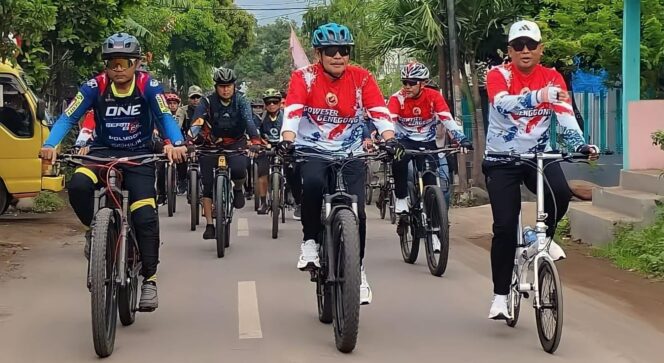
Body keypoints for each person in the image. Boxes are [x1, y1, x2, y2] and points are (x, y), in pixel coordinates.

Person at [40, 33, 187, 311]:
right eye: (112, 63)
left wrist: (176, 144)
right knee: (79, 186)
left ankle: (150, 280)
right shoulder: (93, 86)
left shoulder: (149, 86)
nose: (118, 68)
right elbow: (68, 117)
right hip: (102, 152)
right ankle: (94, 229)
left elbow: (165, 117)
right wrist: (50, 144)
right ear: (105, 65)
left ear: (137, 63)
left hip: (138, 156)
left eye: (124, 62)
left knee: (144, 215)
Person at [279, 23, 403, 305]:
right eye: (331, 51)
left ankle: (357, 271)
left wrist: (389, 137)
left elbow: (379, 110)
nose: (338, 56)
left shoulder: (361, 78)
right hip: (313, 149)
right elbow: (294, 110)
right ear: (318, 53)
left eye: (344, 51)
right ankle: (310, 241)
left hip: (350, 152)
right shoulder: (304, 78)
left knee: (358, 213)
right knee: (310, 184)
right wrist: (288, 139)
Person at [484, 20, 598, 320]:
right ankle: (499, 296)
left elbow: (564, 114)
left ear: (540, 49)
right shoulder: (497, 75)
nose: (524, 50)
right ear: (510, 51)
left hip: (539, 155)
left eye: (530, 45)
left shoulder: (552, 77)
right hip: (501, 158)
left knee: (560, 192)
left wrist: (581, 145)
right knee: (505, 228)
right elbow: (501, 103)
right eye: (518, 45)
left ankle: (538, 237)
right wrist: (539, 96)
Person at [388, 62, 472, 220]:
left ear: (423, 83)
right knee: (398, 159)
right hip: (404, 140)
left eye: (412, 83)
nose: (407, 86)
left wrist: (461, 139)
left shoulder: (434, 96)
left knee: (430, 178)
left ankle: (433, 224)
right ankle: (400, 198)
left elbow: (447, 119)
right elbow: (389, 122)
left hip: (427, 142)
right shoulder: (396, 99)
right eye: (404, 82)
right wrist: (389, 140)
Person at [188, 67, 261, 240]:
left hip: (236, 143)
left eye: (229, 85)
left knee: (239, 170)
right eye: (221, 86)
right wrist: (190, 141)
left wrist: (256, 140)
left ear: (234, 86)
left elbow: (249, 121)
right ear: (216, 87)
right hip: (210, 145)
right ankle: (210, 225)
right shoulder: (206, 101)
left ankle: (237, 189)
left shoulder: (242, 101)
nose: (225, 89)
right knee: (206, 185)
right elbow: (197, 122)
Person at [255, 89, 283, 214]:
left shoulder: (287, 117)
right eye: (268, 102)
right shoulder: (260, 118)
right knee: (262, 173)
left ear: (280, 103)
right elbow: (254, 132)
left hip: (283, 147)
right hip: (265, 148)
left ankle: (290, 194)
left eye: (275, 102)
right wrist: (258, 142)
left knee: (293, 168)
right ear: (265, 105)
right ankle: (263, 203)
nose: (272, 104)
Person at [175, 85, 203, 194]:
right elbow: (177, 126)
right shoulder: (182, 110)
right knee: (180, 153)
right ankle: (182, 180)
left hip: (203, 140)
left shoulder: (207, 109)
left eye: (198, 97)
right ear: (189, 98)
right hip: (186, 140)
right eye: (193, 97)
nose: (195, 100)